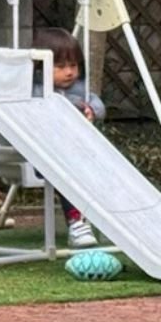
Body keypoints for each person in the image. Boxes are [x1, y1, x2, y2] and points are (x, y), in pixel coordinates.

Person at [34, 27, 104, 247]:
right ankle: (76, 221)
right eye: (61, 66)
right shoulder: (35, 90)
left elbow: (98, 104)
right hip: (44, 153)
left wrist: (91, 110)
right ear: (41, 67)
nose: (69, 72)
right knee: (67, 173)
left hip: (79, 151)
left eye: (73, 66)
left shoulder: (80, 88)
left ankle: (106, 219)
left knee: (102, 170)